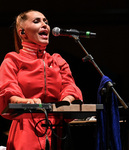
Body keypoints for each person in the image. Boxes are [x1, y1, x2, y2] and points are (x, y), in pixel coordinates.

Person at [0, 10, 83, 150]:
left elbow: (69, 85)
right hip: (26, 127)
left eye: (46, 21)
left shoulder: (57, 60)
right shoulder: (12, 60)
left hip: (57, 127)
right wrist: (24, 101)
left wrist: (67, 100)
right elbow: (8, 89)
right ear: (22, 32)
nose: (44, 25)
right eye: (36, 21)